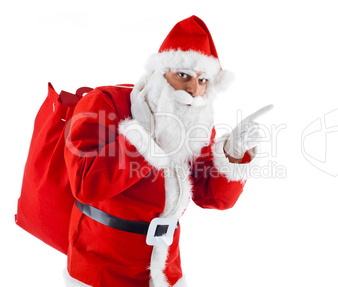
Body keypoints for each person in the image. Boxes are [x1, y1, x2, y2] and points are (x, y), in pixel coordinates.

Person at [63, 15, 270, 287]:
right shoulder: (104, 103)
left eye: (203, 80)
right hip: (100, 269)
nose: (194, 90)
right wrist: (147, 141)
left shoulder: (196, 125)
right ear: (159, 74)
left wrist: (232, 154)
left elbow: (210, 197)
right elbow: (84, 183)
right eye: (183, 75)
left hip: (164, 270)